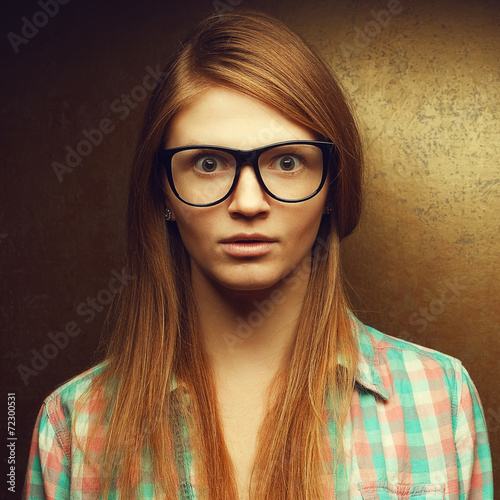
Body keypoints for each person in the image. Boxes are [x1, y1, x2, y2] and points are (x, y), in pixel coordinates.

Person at [23, 10, 492, 500]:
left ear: (333, 185)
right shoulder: (74, 425)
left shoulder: (441, 397)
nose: (248, 203)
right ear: (162, 190)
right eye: (208, 163)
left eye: (287, 162)